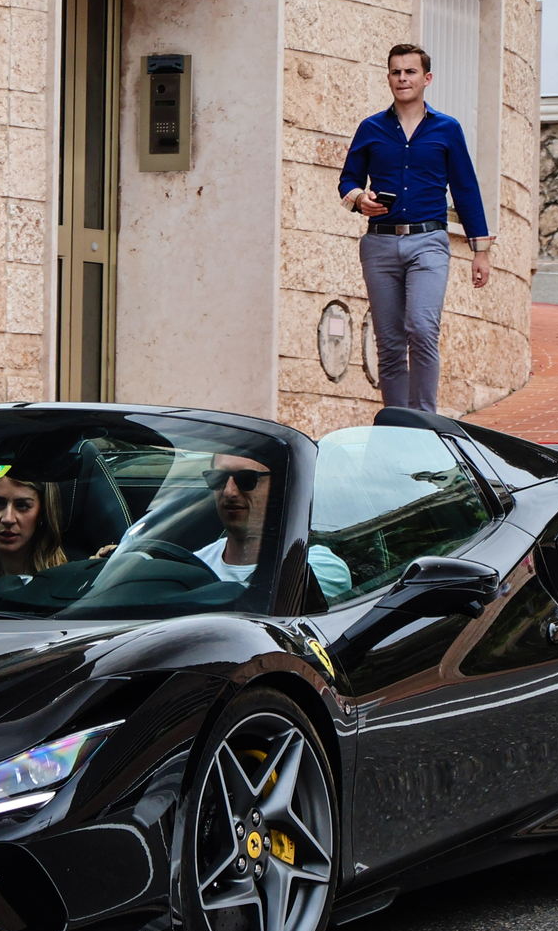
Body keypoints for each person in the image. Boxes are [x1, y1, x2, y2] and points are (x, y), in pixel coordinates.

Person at [338, 43, 491, 413]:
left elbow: (466, 188)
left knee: (422, 329)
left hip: (429, 243)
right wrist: (361, 199)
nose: (402, 78)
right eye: (396, 72)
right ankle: (397, 427)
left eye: (410, 72)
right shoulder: (371, 128)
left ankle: (423, 422)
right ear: (388, 77)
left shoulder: (447, 129)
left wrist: (480, 250)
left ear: (427, 78)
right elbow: (347, 180)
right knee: (389, 342)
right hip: (379, 246)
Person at [103, 453, 352, 601]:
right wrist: (124, 569)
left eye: (246, 480)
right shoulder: (193, 565)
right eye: (218, 479)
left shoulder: (318, 567)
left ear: (281, 487)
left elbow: (258, 611)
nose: (230, 491)